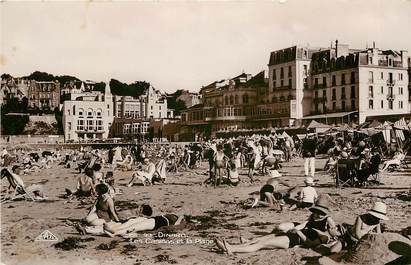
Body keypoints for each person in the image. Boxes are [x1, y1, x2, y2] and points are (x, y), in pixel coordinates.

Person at [215, 195, 340, 254]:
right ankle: (234, 245)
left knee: (262, 244)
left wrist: (298, 232)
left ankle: (232, 249)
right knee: (261, 238)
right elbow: (306, 224)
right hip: (291, 235)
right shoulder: (314, 218)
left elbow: (309, 244)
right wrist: (297, 228)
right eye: (316, 212)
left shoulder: (325, 235)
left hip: (293, 240)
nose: (317, 215)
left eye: (320, 213)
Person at [103, 207, 185, 237]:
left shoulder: (177, 219)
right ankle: (114, 229)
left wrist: (180, 218)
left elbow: (175, 226)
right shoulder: (169, 215)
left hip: (156, 223)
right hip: (154, 220)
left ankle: (114, 233)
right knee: (133, 223)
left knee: (133, 227)